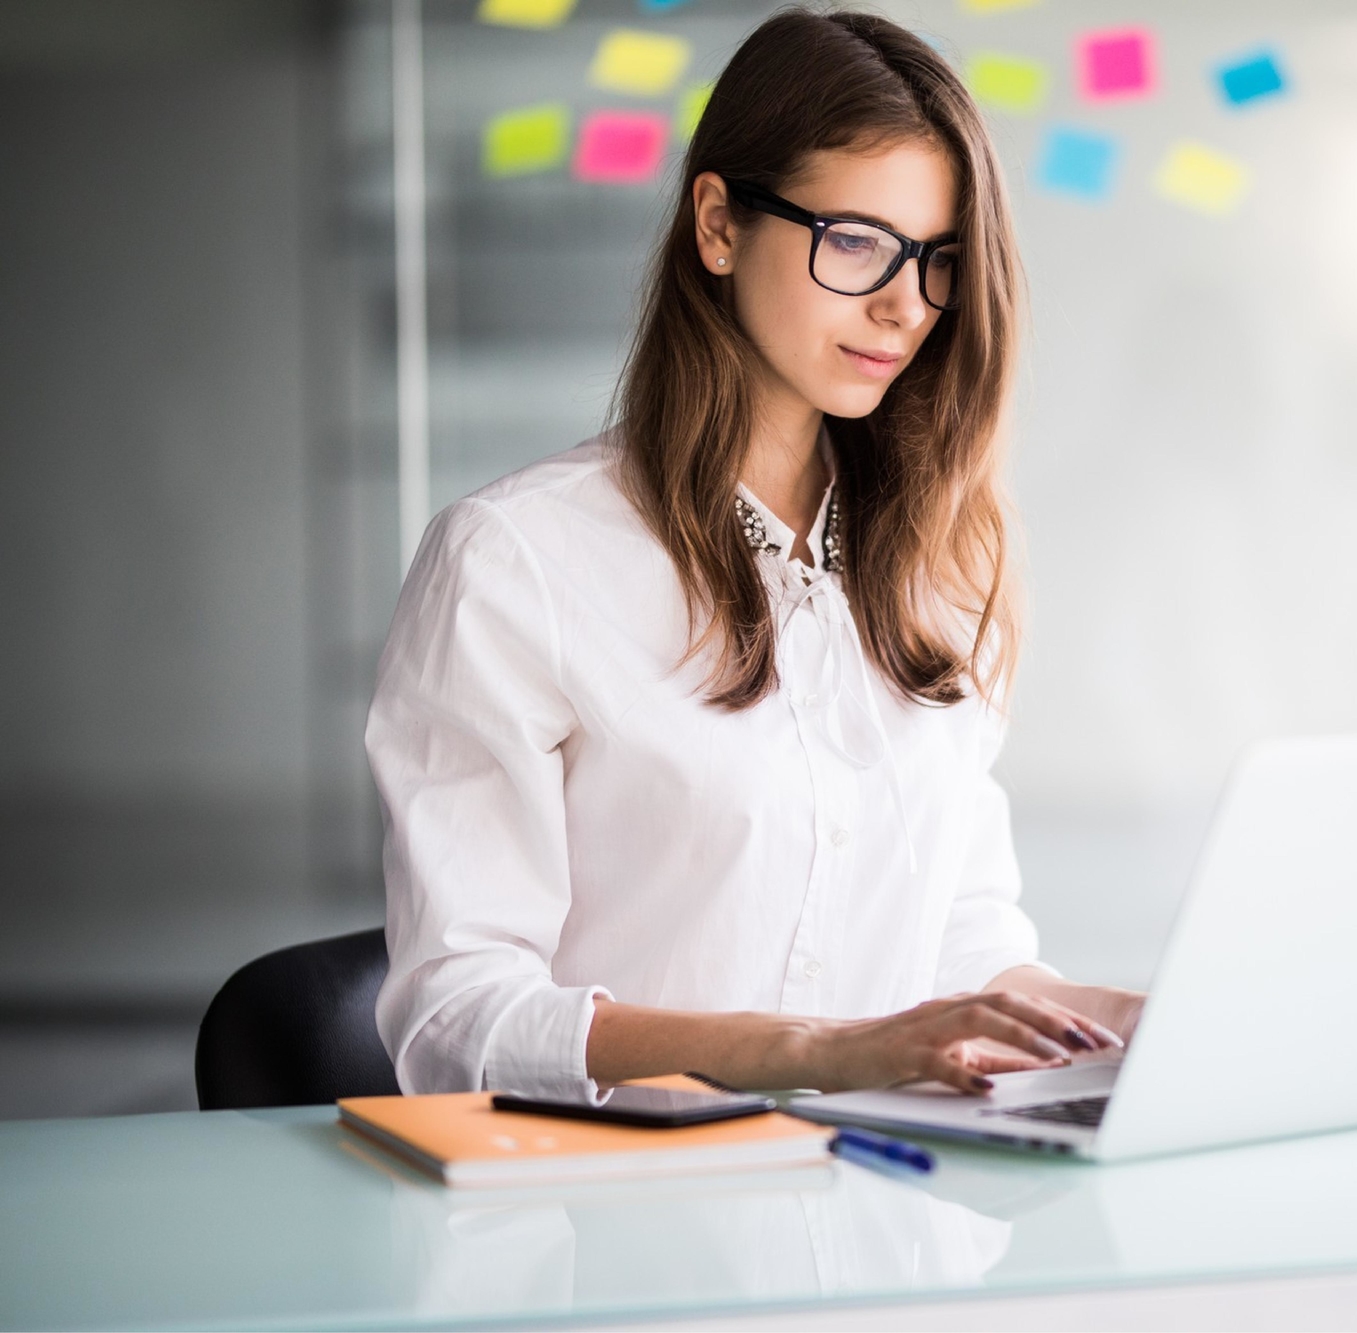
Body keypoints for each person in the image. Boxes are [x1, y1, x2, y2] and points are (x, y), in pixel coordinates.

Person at [368, 7, 1143, 1100]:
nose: (903, 306)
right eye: (857, 241)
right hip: (626, 1236)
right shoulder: (514, 564)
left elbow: (961, 942)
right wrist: (818, 1052)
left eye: (939, 260)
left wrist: (1137, 1020)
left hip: (897, 1217)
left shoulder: (941, 566)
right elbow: (457, 1023)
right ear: (720, 224)